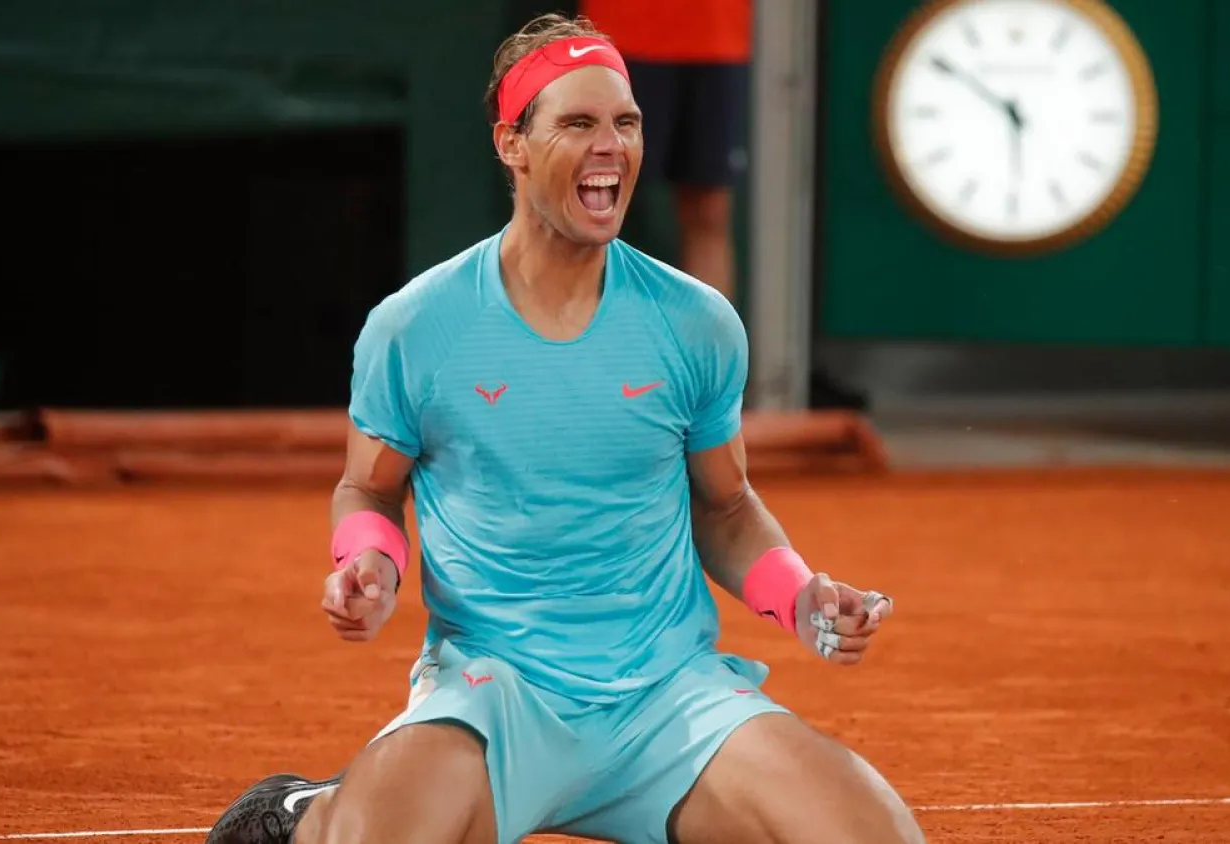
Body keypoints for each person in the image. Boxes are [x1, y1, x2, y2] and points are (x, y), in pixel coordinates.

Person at [205, 14, 924, 844]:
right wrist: (369, 560)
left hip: (672, 703)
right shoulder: (416, 327)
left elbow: (725, 508)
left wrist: (797, 597)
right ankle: (309, 812)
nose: (611, 145)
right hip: (495, 696)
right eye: (579, 124)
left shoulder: (698, 324)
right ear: (512, 143)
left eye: (626, 122)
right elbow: (368, 486)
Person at [574, 0, 868, 411]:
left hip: (717, 38)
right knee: (597, 205)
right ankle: (579, 377)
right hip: (621, 37)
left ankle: (709, 390)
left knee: (709, 211)